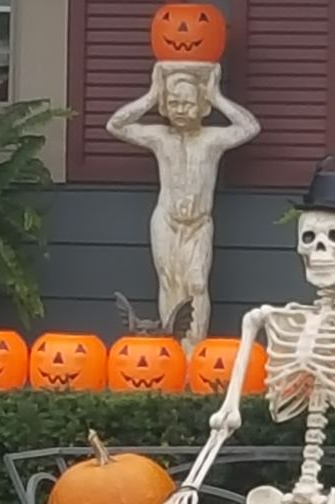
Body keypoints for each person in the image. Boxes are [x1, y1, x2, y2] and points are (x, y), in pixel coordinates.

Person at [106, 62, 261, 352]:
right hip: (166, 220)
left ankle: (196, 352)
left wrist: (216, 97)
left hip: (198, 224)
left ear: (202, 106)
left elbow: (250, 127)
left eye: (188, 103)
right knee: (168, 283)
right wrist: (153, 94)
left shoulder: (212, 140)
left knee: (197, 284)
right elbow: (116, 125)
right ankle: (174, 352)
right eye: (174, 102)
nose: (180, 109)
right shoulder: (160, 137)